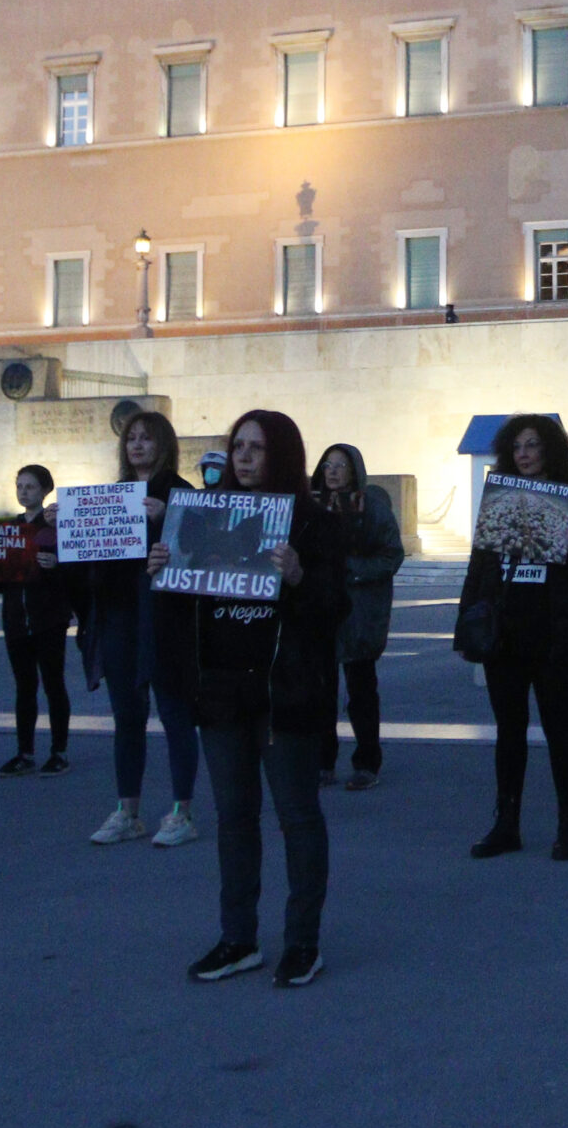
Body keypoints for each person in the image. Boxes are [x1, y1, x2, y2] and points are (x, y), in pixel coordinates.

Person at [159, 409, 345, 987]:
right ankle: (237, 938)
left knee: (296, 817)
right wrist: (166, 571)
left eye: (257, 448)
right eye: (237, 446)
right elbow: (187, 610)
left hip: (283, 693)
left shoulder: (314, 524)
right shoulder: (204, 516)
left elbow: (334, 607)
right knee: (235, 820)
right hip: (219, 690)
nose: (243, 457)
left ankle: (302, 943)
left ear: (282, 454)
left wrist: (299, 579)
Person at [460, 416, 568, 861]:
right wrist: (468, 623)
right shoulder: (498, 499)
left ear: (551, 450)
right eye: (517, 446)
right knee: (509, 732)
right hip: (505, 634)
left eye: (533, 445)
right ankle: (506, 823)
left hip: (556, 636)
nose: (524, 453)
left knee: (561, 730)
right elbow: (479, 567)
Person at [85, 410, 201, 846]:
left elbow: (200, 553)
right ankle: (127, 812)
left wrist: (168, 517)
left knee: (175, 714)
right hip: (119, 616)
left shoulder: (180, 493)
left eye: (146, 439)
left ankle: (180, 813)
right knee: (127, 717)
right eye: (131, 438)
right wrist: (64, 531)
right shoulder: (114, 494)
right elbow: (90, 566)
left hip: (166, 619)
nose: (137, 445)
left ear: (164, 445)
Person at [0, 465, 74, 778]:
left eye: (30, 486)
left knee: (54, 684)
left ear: (45, 491)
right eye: (20, 486)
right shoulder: (9, 530)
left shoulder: (55, 526)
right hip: (16, 619)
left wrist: (56, 565)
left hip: (49, 618)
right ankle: (25, 752)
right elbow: (3, 580)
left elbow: (74, 576)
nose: (24, 491)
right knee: (24, 686)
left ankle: (59, 751)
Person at [316, 443, 402, 792]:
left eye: (340, 465)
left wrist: (352, 571)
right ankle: (323, 761)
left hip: (359, 613)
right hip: (320, 612)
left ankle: (367, 761)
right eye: (327, 465)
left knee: (361, 690)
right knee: (321, 692)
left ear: (354, 470)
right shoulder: (314, 506)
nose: (333, 471)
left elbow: (391, 555)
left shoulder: (374, 507)